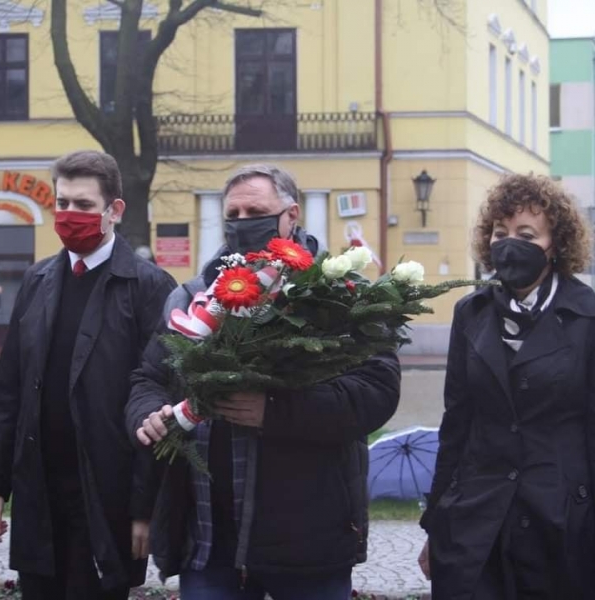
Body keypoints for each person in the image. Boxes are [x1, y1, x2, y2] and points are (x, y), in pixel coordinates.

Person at [126, 164, 401, 599]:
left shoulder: (338, 295)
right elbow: (149, 377)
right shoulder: (194, 296)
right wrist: (147, 413)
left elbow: (376, 392)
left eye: (255, 212)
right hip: (208, 541)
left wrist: (274, 411)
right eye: (232, 214)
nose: (242, 222)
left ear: (292, 215)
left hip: (308, 543)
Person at [419, 174, 595, 599]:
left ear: (556, 244)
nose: (509, 244)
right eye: (500, 233)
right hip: (477, 525)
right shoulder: (470, 314)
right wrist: (436, 525)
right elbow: (456, 425)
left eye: (526, 234)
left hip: (561, 522)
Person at [0, 150, 176, 599]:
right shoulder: (37, 280)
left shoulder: (148, 287)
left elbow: (159, 403)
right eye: (61, 203)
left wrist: (144, 509)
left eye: (83, 205)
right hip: (40, 492)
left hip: (106, 497)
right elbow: (9, 390)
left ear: (114, 210)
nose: (69, 215)